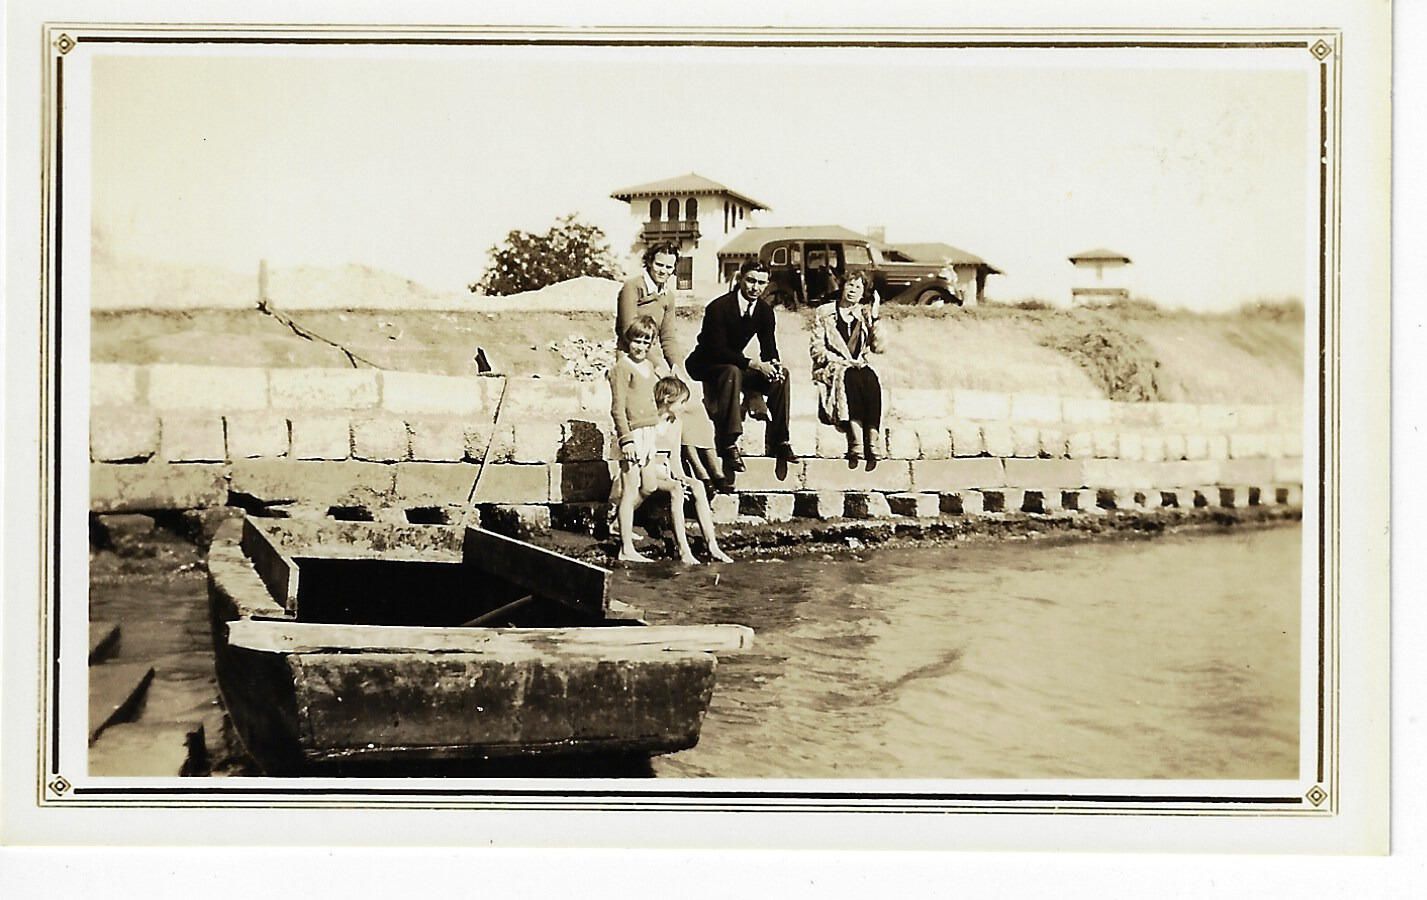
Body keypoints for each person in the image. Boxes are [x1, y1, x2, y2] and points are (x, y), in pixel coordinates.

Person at [615, 243, 727, 489]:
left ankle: (715, 469)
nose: (663, 271)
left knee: (690, 402)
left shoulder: (667, 295)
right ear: (649, 262)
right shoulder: (632, 287)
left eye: (669, 267)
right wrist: (658, 367)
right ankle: (700, 472)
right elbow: (629, 331)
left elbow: (668, 337)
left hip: (656, 359)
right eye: (659, 265)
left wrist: (676, 367)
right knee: (672, 404)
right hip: (634, 357)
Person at [684, 260, 799, 472]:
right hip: (706, 364)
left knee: (782, 374)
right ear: (740, 279)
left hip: (735, 365)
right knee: (732, 370)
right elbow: (717, 350)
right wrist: (755, 364)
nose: (755, 287)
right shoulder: (718, 307)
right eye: (751, 281)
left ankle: (780, 440)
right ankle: (728, 443)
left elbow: (769, 347)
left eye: (761, 283)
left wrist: (773, 364)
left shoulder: (764, 311)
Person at [809, 270, 886, 464]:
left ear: (863, 293)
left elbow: (879, 347)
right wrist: (840, 361)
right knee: (850, 375)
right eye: (850, 285)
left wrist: (875, 317)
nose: (853, 290)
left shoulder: (864, 315)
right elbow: (817, 350)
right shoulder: (825, 312)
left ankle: (873, 439)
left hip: (858, 366)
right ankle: (856, 439)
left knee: (870, 377)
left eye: (858, 287)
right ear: (842, 287)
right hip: (832, 367)